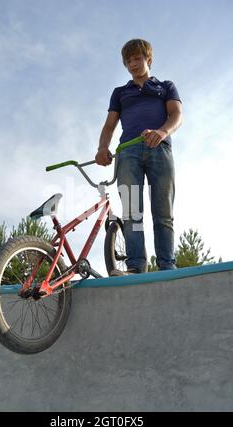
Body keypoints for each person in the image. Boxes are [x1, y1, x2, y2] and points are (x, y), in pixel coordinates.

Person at [95, 39, 183, 275]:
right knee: (132, 212)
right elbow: (109, 126)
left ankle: (167, 266)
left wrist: (162, 132)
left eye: (137, 58)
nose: (132, 64)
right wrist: (102, 147)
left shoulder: (165, 87)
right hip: (128, 153)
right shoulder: (120, 93)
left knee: (163, 213)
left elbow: (176, 115)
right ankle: (135, 267)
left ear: (148, 59)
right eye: (128, 61)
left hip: (160, 150)